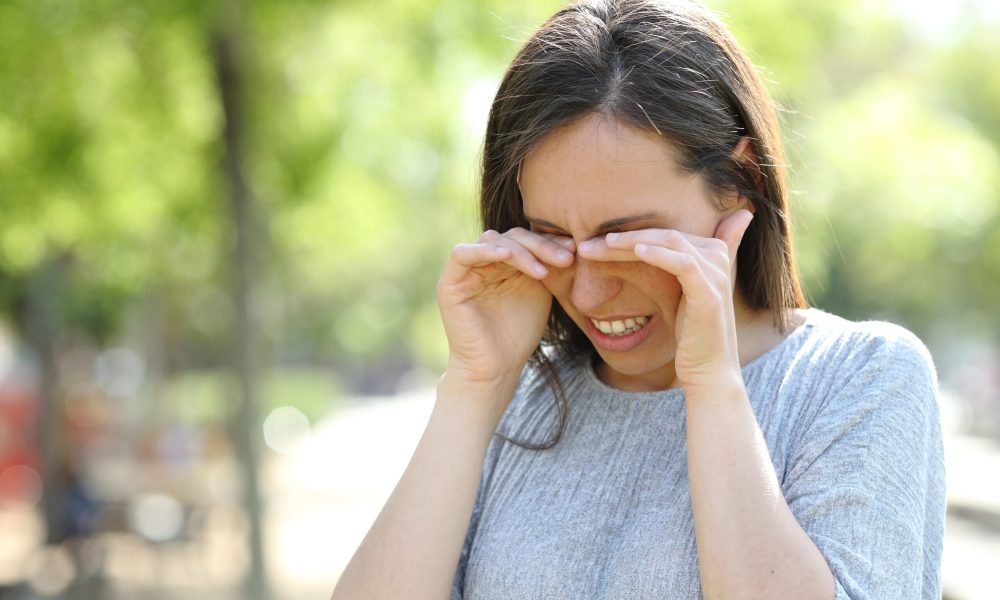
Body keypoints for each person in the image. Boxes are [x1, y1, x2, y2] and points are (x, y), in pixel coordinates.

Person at [331, 0, 946, 598]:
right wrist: (475, 385)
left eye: (625, 238)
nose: (590, 291)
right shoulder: (517, 405)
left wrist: (711, 382)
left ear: (741, 185)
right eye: (552, 237)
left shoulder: (863, 379)